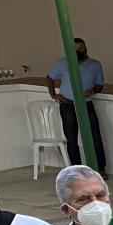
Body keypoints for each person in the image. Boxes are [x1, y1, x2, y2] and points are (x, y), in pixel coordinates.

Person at [45, 37, 107, 174]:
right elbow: (49, 78)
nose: (78, 51)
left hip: (86, 104)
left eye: (81, 48)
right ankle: (77, 170)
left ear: (85, 48)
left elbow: (99, 85)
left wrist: (92, 90)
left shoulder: (95, 64)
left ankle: (100, 168)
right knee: (71, 138)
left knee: (95, 137)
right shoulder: (62, 63)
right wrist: (53, 95)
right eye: (75, 50)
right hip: (67, 104)